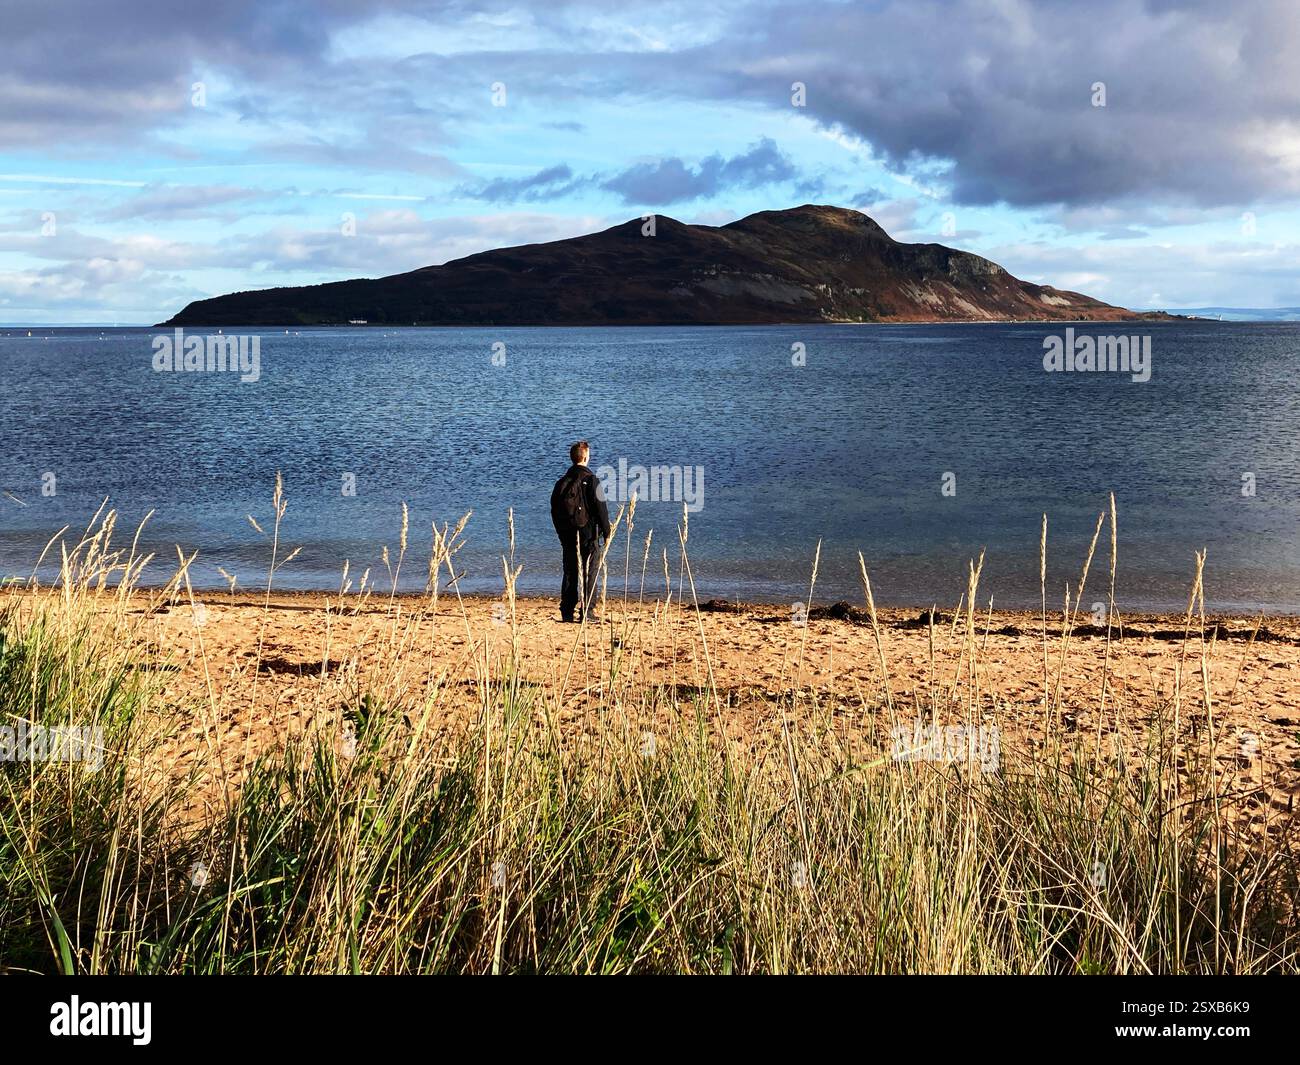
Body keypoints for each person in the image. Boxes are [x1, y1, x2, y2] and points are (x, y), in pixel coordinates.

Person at [550, 440, 610, 623]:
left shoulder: (562, 482)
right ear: (585, 457)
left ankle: (567, 610)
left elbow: (554, 509)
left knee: (570, 570)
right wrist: (607, 532)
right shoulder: (592, 480)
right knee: (589, 571)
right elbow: (601, 509)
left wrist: (560, 533)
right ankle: (587, 611)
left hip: (567, 533)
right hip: (588, 532)